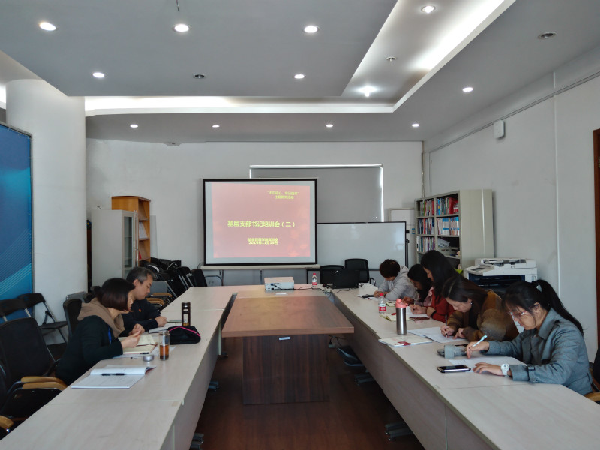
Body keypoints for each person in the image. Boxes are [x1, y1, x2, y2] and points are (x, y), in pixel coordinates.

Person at [466, 280, 592, 395]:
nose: (516, 320)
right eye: (512, 314)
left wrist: (505, 370)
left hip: (571, 396)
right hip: (544, 390)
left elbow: (557, 373)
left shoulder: (566, 332)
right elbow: (514, 347)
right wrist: (487, 346)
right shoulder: (532, 329)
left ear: (536, 308)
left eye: (518, 314)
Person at [56, 278, 142, 385]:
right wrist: (123, 345)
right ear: (117, 297)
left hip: (95, 371)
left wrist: (129, 333)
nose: (132, 302)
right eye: (129, 298)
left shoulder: (108, 317)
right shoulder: (93, 321)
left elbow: (107, 337)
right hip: (76, 378)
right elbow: (91, 355)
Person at [439, 274, 518, 341]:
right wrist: (452, 327)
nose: (455, 308)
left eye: (457, 305)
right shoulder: (470, 304)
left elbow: (488, 337)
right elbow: (456, 316)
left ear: (469, 298)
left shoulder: (491, 304)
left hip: (505, 349)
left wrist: (467, 332)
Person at [410, 250, 455, 322]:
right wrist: (424, 309)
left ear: (436, 270)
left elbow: (452, 320)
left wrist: (433, 314)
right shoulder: (437, 285)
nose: (428, 276)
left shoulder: (453, 287)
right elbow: (433, 308)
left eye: (428, 273)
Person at [123, 266, 168, 332]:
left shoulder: (140, 299)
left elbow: (154, 312)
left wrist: (152, 321)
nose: (148, 291)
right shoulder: (121, 300)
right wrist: (154, 323)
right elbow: (130, 325)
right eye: (147, 287)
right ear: (136, 283)